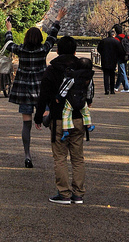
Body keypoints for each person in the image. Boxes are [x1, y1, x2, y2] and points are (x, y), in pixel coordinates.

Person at [5, 7, 67, 168]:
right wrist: (58, 18)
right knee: (49, 114)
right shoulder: (43, 49)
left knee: (26, 124)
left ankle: (27, 155)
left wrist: (9, 29)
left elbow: (9, 43)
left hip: (24, 91)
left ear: (26, 38)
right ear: (39, 38)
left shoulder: (21, 50)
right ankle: (45, 121)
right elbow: (52, 36)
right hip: (42, 90)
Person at [34, 35, 93, 205]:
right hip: (79, 118)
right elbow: (89, 96)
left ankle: (64, 193)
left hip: (59, 118)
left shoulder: (52, 70)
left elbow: (43, 95)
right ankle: (78, 194)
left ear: (57, 51)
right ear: (75, 51)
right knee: (78, 157)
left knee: (60, 157)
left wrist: (39, 117)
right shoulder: (83, 69)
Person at [57, 57, 94, 141]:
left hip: (70, 100)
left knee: (66, 114)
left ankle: (65, 130)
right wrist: (89, 100)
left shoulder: (73, 78)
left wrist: (59, 97)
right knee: (86, 112)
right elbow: (90, 91)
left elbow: (65, 88)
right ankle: (88, 125)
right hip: (82, 100)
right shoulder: (88, 80)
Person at [97, 29, 121, 94]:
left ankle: (106, 90)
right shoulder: (116, 42)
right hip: (113, 60)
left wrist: (103, 54)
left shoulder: (103, 41)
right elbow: (119, 51)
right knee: (112, 75)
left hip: (105, 59)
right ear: (113, 34)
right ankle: (112, 90)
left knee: (106, 75)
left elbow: (99, 49)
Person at [113, 24, 129, 93]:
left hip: (120, 56)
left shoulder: (116, 38)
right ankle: (116, 87)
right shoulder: (127, 37)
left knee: (122, 71)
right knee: (121, 71)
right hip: (127, 55)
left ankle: (127, 87)